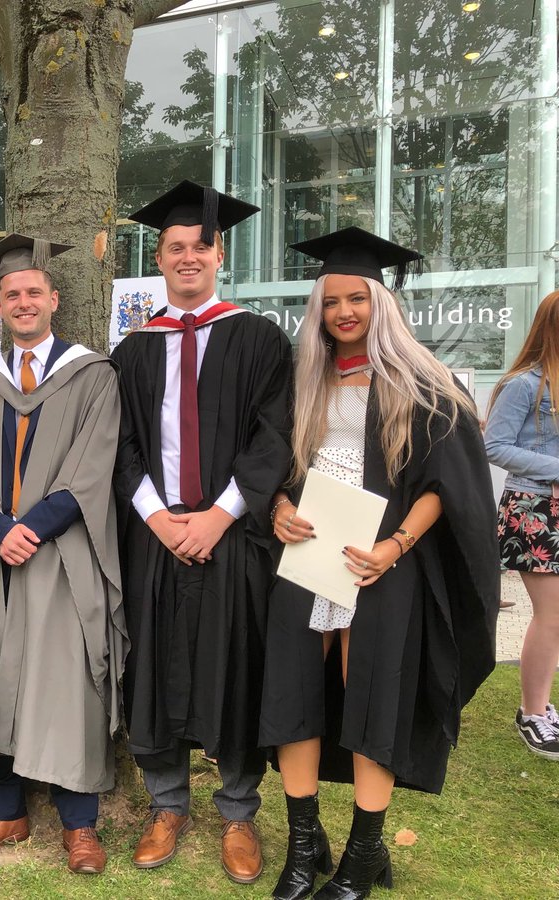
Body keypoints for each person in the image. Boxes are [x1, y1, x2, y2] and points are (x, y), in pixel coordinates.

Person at [263, 227, 498, 900]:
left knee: (373, 694)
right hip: (307, 556)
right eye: (331, 301)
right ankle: (304, 846)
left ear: (380, 304)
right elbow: (269, 464)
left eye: (356, 299)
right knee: (295, 689)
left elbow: (444, 487)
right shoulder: (301, 380)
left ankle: (365, 853)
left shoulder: (425, 383)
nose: (343, 312)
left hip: (380, 566)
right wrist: (279, 504)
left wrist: (394, 547)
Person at [112, 180, 292, 885]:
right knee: (153, 667)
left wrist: (220, 515)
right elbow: (119, 444)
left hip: (232, 533)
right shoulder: (133, 351)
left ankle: (239, 810)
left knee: (235, 663)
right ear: (158, 258)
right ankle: (166, 804)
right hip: (155, 533)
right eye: (175, 247)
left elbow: (273, 437)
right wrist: (158, 517)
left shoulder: (259, 339)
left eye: (200, 247)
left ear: (220, 254)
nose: (189, 258)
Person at [0, 234, 127, 875]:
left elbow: (91, 466)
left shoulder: (93, 376)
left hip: (62, 554)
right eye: (11, 295)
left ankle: (80, 824)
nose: (23, 302)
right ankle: (4, 812)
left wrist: (35, 528)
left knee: (69, 681)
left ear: (54, 300)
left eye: (33, 292)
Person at [484, 289, 559, 760]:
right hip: (532, 508)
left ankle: (541, 706)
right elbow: (494, 445)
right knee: (552, 616)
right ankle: (533, 714)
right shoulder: (523, 384)